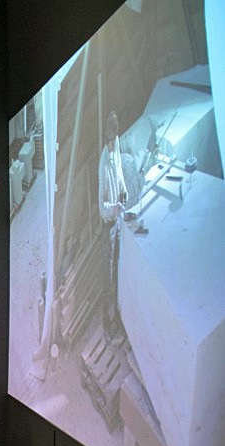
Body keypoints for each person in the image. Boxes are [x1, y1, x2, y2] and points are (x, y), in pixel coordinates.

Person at [98, 111, 127, 317]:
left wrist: (124, 189)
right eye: (111, 141)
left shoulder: (116, 146)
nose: (113, 144)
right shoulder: (102, 166)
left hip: (118, 220)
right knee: (108, 271)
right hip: (108, 223)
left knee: (118, 265)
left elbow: (120, 173)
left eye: (115, 139)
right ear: (106, 140)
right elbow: (102, 207)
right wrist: (115, 207)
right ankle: (108, 316)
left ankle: (118, 307)